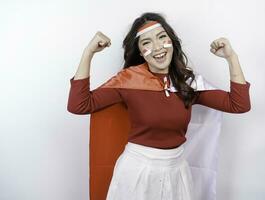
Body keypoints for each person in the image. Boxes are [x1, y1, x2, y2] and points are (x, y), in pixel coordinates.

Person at [67, 12, 251, 200]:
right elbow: (79, 105)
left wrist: (231, 57)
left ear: (171, 41)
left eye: (162, 37)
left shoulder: (188, 82)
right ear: (139, 51)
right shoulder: (129, 80)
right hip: (137, 173)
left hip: (177, 172)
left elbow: (239, 104)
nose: (157, 47)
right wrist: (88, 53)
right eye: (146, 42)